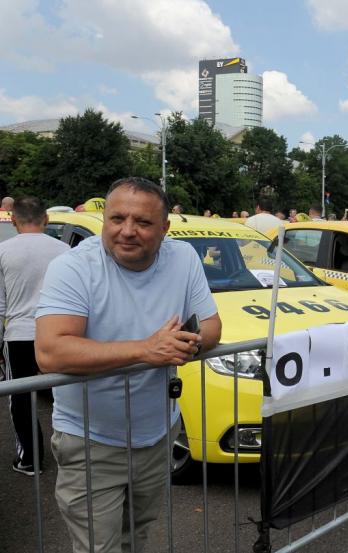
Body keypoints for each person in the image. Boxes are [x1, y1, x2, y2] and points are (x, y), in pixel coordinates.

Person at [35, 177, 222, 552]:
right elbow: (51, 352)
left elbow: (212, 326)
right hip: (90, 441)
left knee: (136, 537)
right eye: (117, 218)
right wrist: (146, 350)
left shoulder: (183, 258)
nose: (127, 231)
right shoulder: (73, 267)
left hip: (158, 434)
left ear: (166, 228)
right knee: (99, 548)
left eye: (143, 222)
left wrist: (188, 342)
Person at [0, 197, 69, 475]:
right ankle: (71, 455)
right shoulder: (65, 250)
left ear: (14, 221)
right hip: (61, 332)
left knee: (20, 397)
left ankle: (30, 458)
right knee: (67, 392)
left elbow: (0, 305)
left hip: (19, 334)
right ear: (46, 219)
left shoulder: (3, 251)